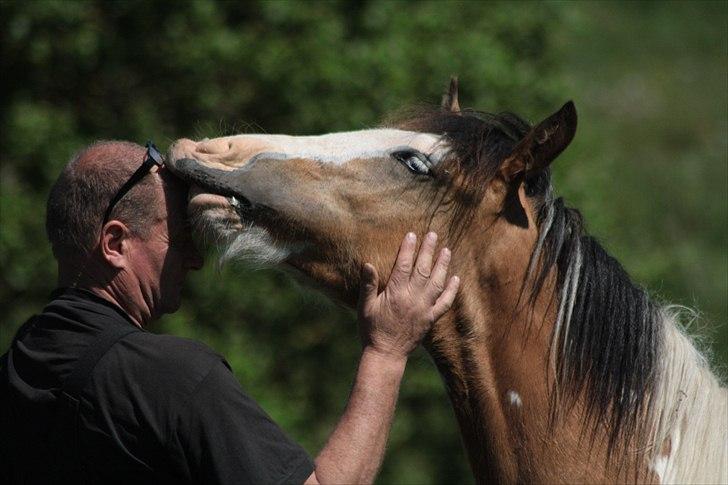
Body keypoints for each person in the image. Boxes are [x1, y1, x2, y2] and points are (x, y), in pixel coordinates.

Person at [0, 141, 460, 484]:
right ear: (116, 244)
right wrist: (386, 352)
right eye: (180, 239)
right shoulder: (169, 380)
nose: (194, 260)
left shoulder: (18, 367)